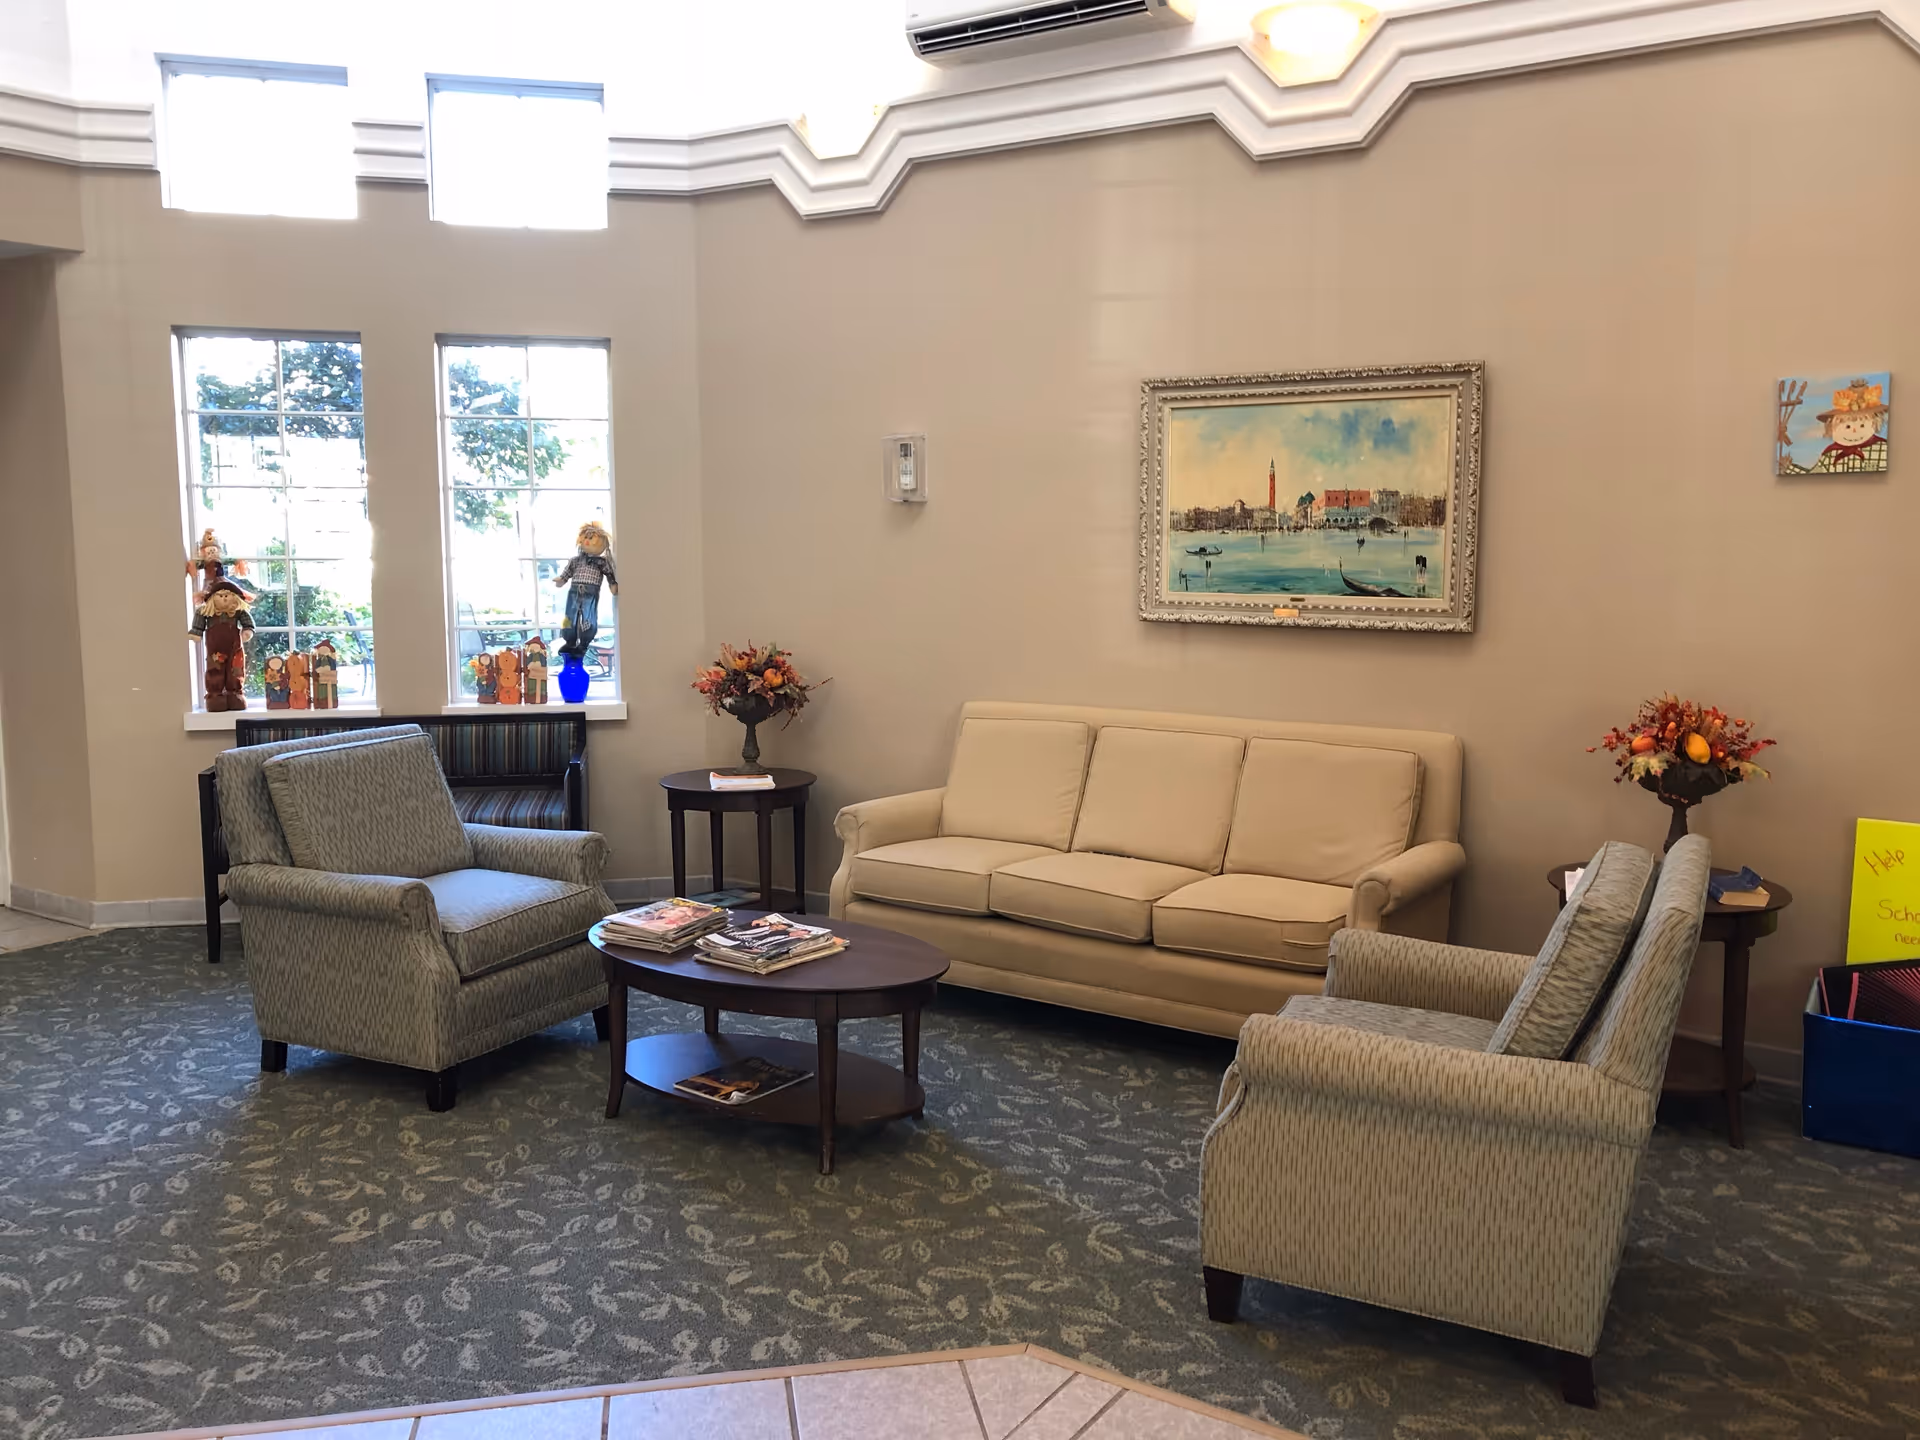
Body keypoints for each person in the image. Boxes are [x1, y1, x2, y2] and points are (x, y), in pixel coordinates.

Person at [1785, 378, 1890, 473]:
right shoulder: (1831, 455)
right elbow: (1814, 476)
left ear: (1875, 424)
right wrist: (1789, 468)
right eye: (1847, 426)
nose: (1854, 431)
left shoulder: (1883, 448)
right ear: (1831, 427)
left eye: (1862, 425)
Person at [554, 520, 619, 659]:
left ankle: (583, 644)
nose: (588, 542)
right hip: (574, 591)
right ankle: (569, 641)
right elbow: (567, 573)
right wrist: (561, 580)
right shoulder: (575, 561)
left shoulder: (602, 562)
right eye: (586, 539)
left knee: (588, 617)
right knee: (569, 617)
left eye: (591, 539)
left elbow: (609, 574)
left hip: (591, 592)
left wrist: (612, 584)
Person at [189, 580, 254, 712]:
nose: (224, 598)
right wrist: (196, 632)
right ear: (212, 598)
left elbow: (248, 623)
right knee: (215, 668)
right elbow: (198, 622)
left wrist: (247, 630)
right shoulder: (206, 612)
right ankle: (215, 695)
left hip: (235, 647)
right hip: (215, 647)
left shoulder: (238, 612)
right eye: (220, 595)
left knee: (235, 668)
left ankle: (235, 693)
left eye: (227, 595)